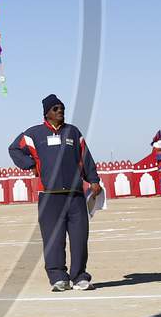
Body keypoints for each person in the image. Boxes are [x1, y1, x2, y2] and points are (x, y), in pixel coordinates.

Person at [9, 94, 103, 291]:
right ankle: (58, 277)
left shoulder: (73, 132)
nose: (60, 111)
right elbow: (14, 149)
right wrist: (30, 164)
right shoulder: (33, 134)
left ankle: (79, 277)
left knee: (79, 238)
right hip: (49, 197)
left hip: (75, 195)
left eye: (61, 108)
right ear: (47, 113)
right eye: (55, 108)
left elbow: (85, 157)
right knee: (53, 239)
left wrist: (93, 180)